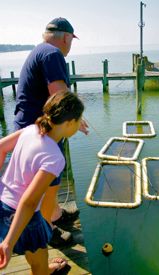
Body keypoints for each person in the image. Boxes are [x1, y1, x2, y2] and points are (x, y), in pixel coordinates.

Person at [13, 17, 88, 245]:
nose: (70, 45)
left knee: (45, 180)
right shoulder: (53, 54)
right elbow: (59, 94)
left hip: (30, 127)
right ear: (66, 37)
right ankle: (48, 230)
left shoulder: (40, 50)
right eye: (71, 40)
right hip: (41, 132)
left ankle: (54, 214)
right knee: (48, 181)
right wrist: (77, 118)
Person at [0, 91, 84, 274]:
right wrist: (8, 242)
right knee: (38, 261)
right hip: (25, 217)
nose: (79, 125)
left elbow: (0, 148)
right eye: (79, 120)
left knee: (34, 253)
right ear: (70, 123)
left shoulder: (30, 130)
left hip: (2, 204)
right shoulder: (54, 157)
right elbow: (29, 202)